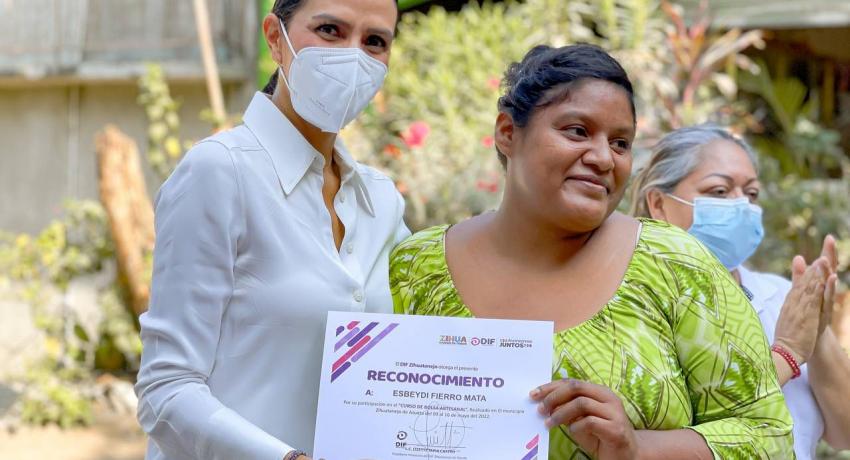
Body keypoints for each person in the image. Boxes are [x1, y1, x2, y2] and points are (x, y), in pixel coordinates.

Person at [390, 44, 793, 459]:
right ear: (508, 132)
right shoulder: (417, 266)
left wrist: (639, 449)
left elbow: (769, 436)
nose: (603, 158)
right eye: (577, 131)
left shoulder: (674, 264)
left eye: (620, 143)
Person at [134, 1, 407, 459]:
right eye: (330, 30)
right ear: (275, 38)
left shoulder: (381, 200)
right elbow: (166, 389)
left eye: (374, 41)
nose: (354, 55)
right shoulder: (219, 173)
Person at [629, 124, 850, 459]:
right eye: (719, 192)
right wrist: (788, 352)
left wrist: (814, 333)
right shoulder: (633, 301)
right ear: (659, 204)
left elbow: (845, 433)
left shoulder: (779, 296)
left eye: (751, 193)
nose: (742, 205)